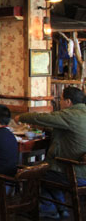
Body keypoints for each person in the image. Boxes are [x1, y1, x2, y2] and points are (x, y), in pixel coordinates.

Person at [17, 87, 86, 219]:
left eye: (60, 99)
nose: (59, 102)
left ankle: (47, 211)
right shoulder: (79, 115)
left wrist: (21, 116)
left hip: (76, 174)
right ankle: (60, 209)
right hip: (79, 169)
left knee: (36, 172)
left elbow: (43, 117)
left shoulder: (70, 115)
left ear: (68, 101)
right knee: (50, 170)